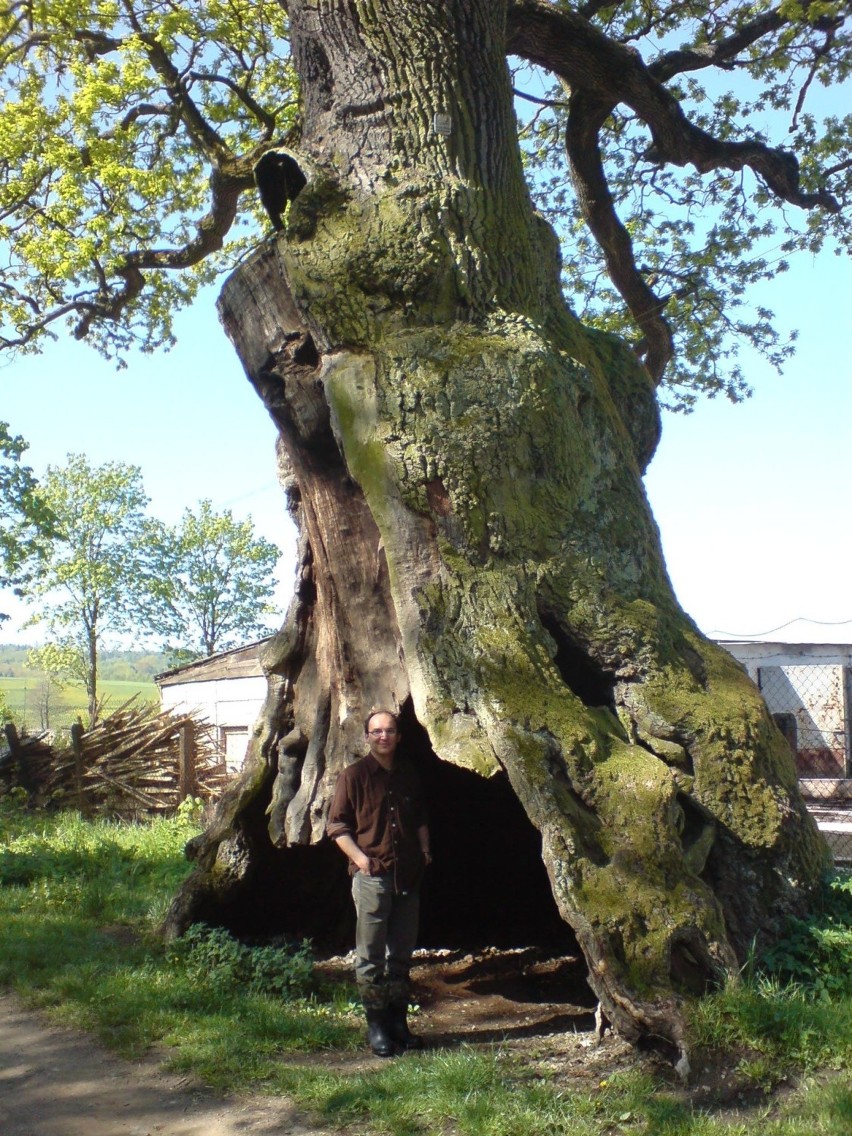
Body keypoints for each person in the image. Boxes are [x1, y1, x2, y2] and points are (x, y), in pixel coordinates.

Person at [327, 708, 432, 1056]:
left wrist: (425, 850)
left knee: (400, 955)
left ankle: (399, 1024)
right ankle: (377, 1030)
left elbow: (419, 816)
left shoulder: (410, 774)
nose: (383, 736)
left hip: (408, 876)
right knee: (371, 957)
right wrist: (360, 860)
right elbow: (337, 826)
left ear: (399, 736)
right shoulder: (353, 777)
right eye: (376, 731)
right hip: (373, 878)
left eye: (389, 731)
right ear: (367, 737)